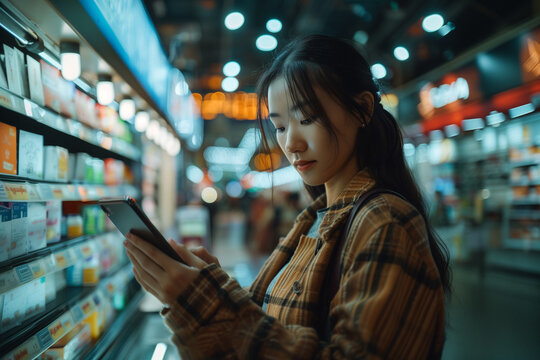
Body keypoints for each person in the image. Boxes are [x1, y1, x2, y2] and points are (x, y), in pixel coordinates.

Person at [124, 34, 451, 359]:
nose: (291, 143)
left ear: (363, 109)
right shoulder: (315, 218)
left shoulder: (384, 222)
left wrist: (206, 301)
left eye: (307, 119)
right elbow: (272, 327)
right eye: (280, 127)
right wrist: (212, 288)